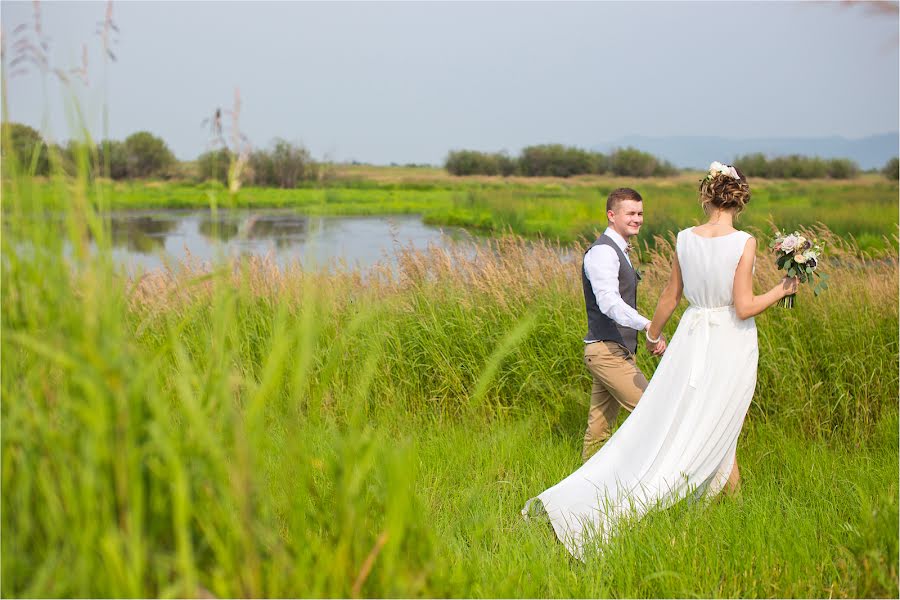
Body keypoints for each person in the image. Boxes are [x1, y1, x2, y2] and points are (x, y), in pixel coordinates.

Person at [523, 162, 799, 560]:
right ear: (740, 199)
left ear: (707, 195)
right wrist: (783, 289)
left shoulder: (685, 237)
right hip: (728, 341)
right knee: (716, 419)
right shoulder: (745, 241)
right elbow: (743, 306)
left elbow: (670, 296)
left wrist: (652, 333)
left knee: (708, 419)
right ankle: (674, 492)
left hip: (691, 334)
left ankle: (733, 504)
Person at [580, 187, 665, 462]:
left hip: (614, 350)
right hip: (607, 352)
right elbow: (609, 303)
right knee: (653, 413)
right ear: (611, 215)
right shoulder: (603, 252)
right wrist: (648, 326)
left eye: (640, 213)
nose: (637, 219)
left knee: (598, 431)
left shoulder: (620, 250)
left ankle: (584, 493)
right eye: (630, 213)